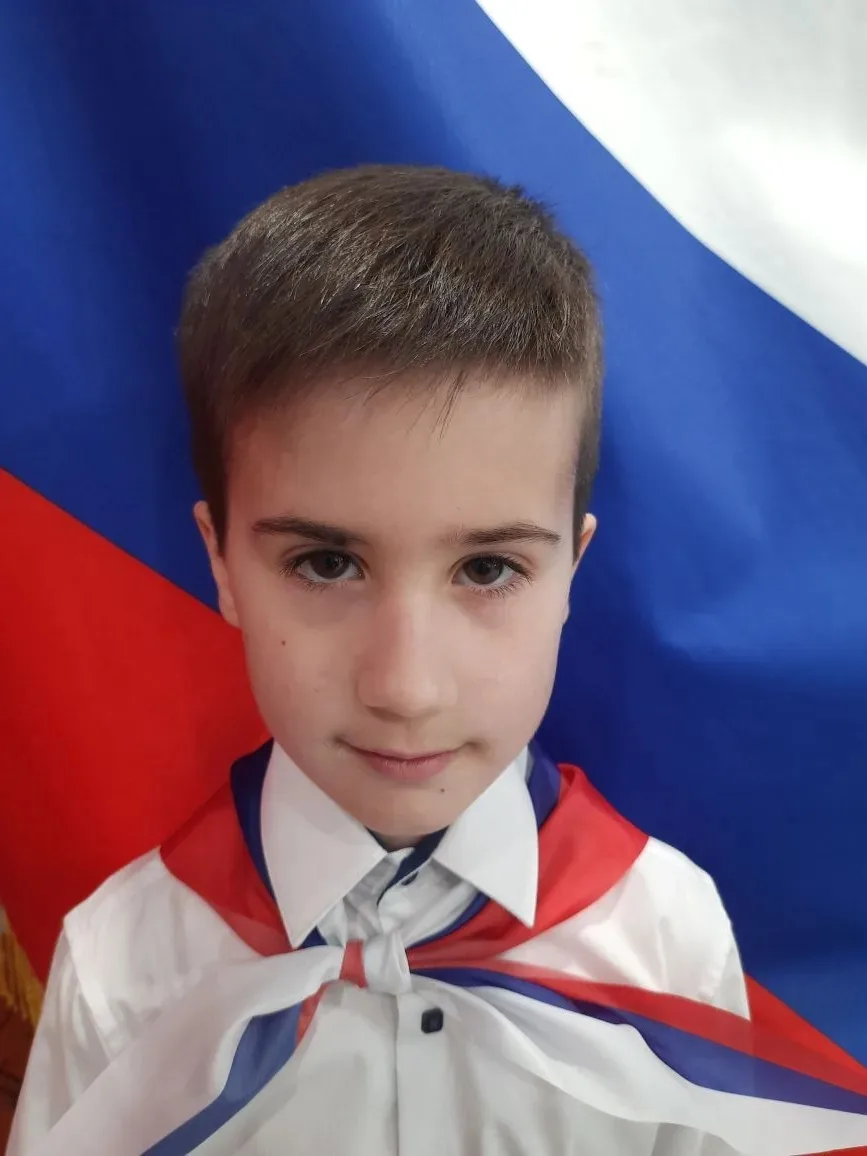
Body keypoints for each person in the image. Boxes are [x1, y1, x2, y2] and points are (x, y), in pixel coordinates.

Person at [12, 165, 836, 1156]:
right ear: (221, 563)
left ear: (570, 572)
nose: (405, 688)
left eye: (487, 569)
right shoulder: (123, 967)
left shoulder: (663, 936)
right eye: (325, 563)